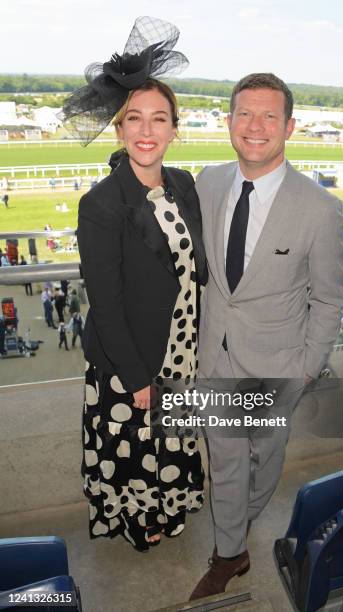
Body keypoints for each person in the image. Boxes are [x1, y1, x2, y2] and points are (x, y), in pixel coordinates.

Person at [190, 72, 343, 599]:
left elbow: (328, 298)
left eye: (268, 116)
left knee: (265, 460)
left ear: (290, 126)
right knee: (227, 461)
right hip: (215, 355)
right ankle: (228, 553)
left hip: (277, 365)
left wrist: (303, 370)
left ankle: (239, 521)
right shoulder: (207, 182)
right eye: (244, 114)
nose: (255, 127)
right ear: (229, 121)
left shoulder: (320, 209)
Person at [61, 17, 207, 552]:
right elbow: (107, 305)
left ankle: (171, 503)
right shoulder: (100, 204)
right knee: (136, 446)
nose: (147, 131)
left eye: (159, 119)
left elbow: (194, 267)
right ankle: (138, 517)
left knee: (170, 443)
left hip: (182, 352)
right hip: (132, 363)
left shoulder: (184, 184)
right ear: (121, 129)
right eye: (135, 119)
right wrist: (139, 377)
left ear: (174, 129)